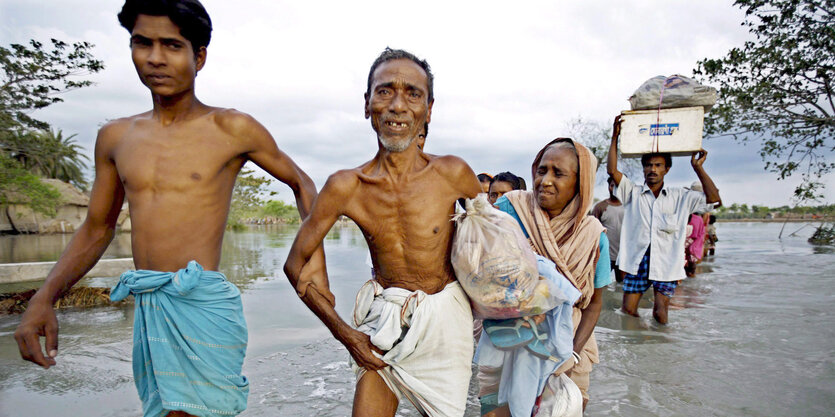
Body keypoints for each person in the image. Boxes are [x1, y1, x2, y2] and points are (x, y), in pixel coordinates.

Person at [13, 1, 321, 416]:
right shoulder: (116, 137)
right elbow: (96, 228)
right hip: (150, 305)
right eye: (143, 43)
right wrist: (44, 297)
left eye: (172, 45)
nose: (155, 58)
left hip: (204, 303)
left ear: (199, 57)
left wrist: (312, 261)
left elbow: (301, 182)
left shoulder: (231, 128)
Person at [283, 48, 482, 417]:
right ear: (367, 104)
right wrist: (347, 335)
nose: (397, 106)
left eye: (413, 94)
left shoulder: (454, 174)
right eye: (385, 91)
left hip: (446, 320)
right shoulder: (347, 186)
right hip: (385, 318)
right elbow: (295, 266)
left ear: (429, 109)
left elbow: (495, 247)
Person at [481, 138, 612, 413]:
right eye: (542, 170)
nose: (546, 181)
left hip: (569, 342)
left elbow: (594, 304)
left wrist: (570, 354)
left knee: (563, 406)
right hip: (510, 337)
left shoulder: (592, 236)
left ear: (580, 183)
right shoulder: (510, 210)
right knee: (499, 410)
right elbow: (477, 262)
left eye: (558, 173)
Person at [608, 115, 721, 324]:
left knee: (660, 313)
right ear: (643, 168)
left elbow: (714, 201)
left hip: (667, 263)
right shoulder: (632, 193)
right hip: (638, 261)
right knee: (628, 310)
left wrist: (698, 168)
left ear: (667, 169)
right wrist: (615, 137)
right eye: (648, 165)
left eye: (658, 165)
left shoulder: (681, 196)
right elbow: (612, 171)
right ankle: (641, 345)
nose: (652, 169)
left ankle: (660, 346)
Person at [592, 176, 626, 282]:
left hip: (624, 256)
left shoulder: (630, 206)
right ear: (608, 187)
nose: (615, 188)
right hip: (604, 255)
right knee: (599, 284)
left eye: (618, 186)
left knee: (623, 287)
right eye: (612, 185)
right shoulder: (600, 207)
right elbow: (592, 232)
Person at [684, 211, 706, 277]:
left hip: (693, 244)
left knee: (691, 263)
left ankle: (691, 279)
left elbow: (701, 233)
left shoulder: (698, 219)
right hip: (683, 244)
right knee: (684, 263)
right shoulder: (682, 215)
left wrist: (693, 246)